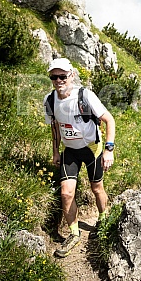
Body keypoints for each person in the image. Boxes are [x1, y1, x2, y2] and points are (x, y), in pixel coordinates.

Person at [43, 58, 116, 258]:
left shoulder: (85, 96)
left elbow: (109, 119)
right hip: (70, 150)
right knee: (66, 194)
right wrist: (56, 151)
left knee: (96, 188)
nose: (58, 80)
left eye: (62, 76)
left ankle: (103, 218)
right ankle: (74, 233)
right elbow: (55, 127)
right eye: (54, 77)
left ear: (71, 75)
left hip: (92, 148)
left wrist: (109, 149)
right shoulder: (50, 100)